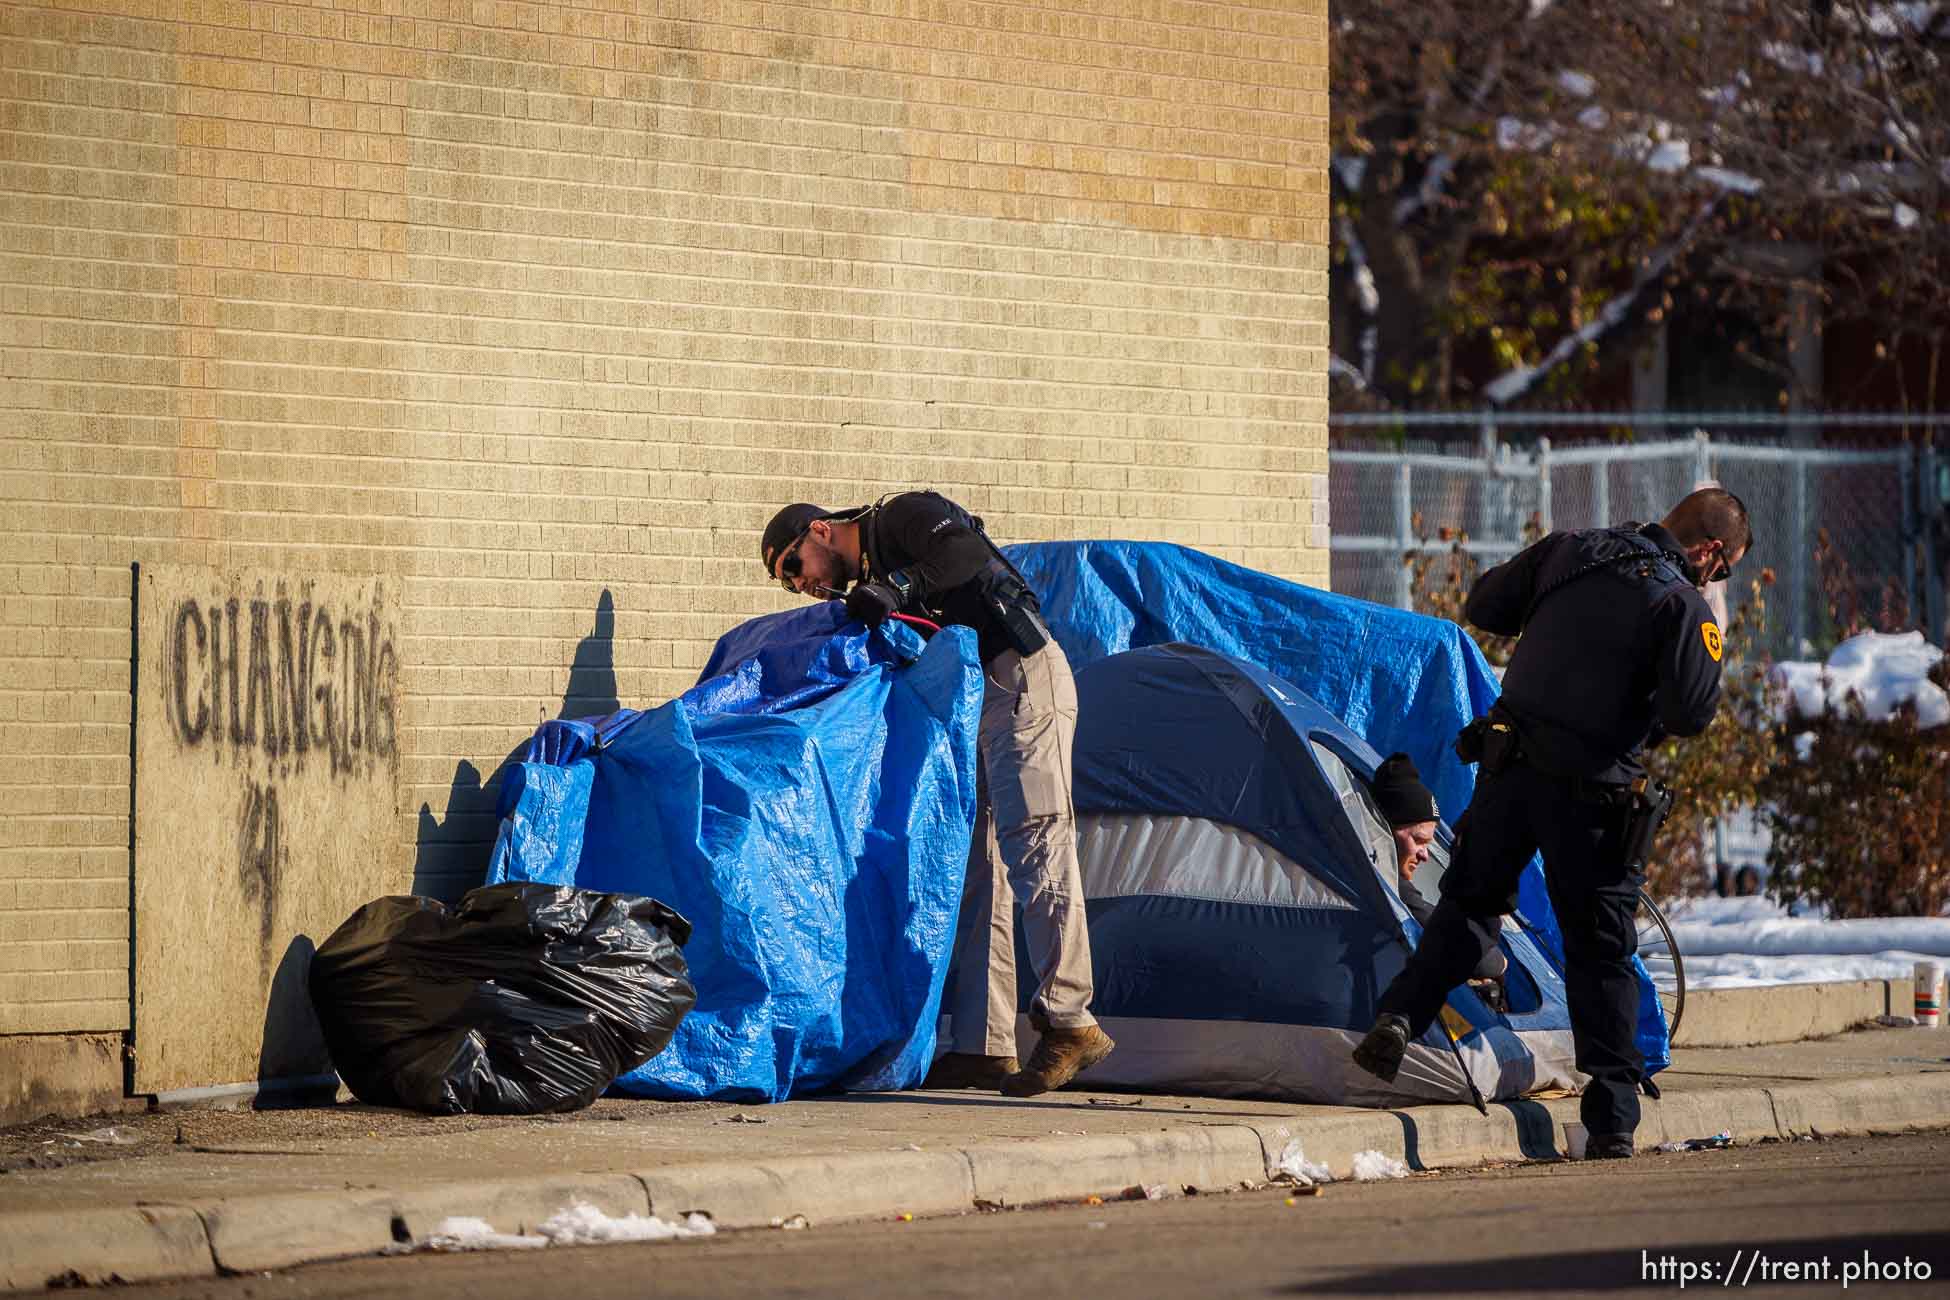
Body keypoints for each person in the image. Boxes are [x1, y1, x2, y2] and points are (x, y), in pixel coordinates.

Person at [1351, 487, 1750, 1160]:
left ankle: (1397, 1017)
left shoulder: (1572, 550)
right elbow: (1690, 715)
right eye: (1725, 568)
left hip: (1510, 774)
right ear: (1708, 551)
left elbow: (1484, 605)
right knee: (1600, 949)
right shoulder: (1680, 603)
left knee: (1470, 906)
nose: (1718, 580)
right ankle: (1612, 1119)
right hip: (1593, 797)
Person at [760, 493, 1114, 1096]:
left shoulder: (901, 515)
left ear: (821, 531)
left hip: (1022, 677)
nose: (802, 586)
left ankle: (1071, 1019)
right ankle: (984, 1045)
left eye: (795, 568)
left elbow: (964, 552)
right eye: (789, 585)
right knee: (978, 869)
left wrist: (896, 588)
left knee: (1036, 846)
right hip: (972, 701)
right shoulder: (870, 586)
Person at [1370, 753, 1506, 987]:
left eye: (1428, 844)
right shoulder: (1387, 884)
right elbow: (1477, 958)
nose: (1424, 855)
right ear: (1385, 830)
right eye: (1418, 840)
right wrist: (1499, 961)